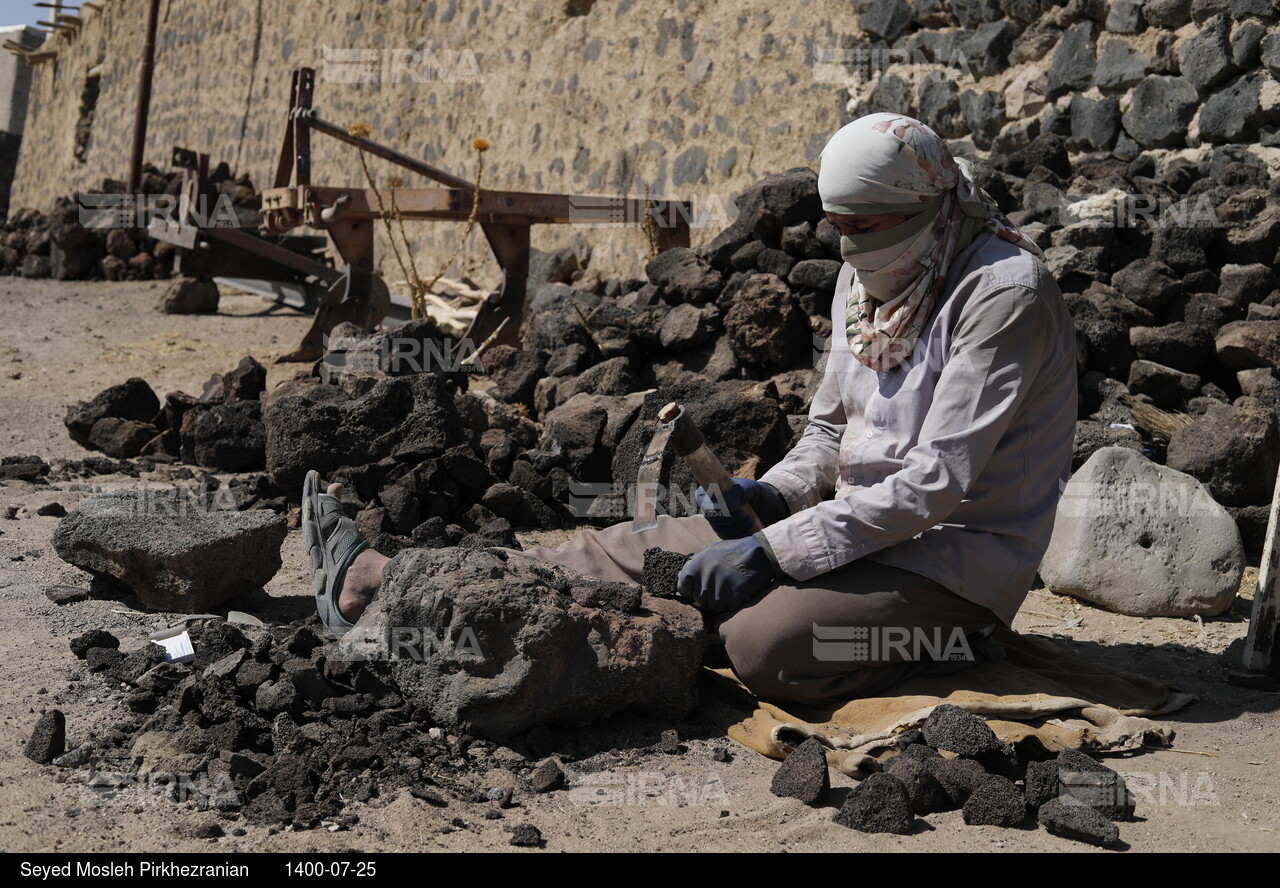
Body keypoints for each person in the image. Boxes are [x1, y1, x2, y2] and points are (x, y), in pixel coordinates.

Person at [302, 112, 1078, 706]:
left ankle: (958, 643)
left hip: (950, 560)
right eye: (837, 230)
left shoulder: (1003, 295)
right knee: (619, 554)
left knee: (762, 644)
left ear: (925, 205)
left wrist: (775, 555)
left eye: (864, 229)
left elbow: (932, 488)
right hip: (847, 523)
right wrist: (773, 497)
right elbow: (831, 431)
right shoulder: (868, 276)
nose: (847, 251)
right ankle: (389, 582)